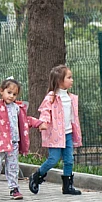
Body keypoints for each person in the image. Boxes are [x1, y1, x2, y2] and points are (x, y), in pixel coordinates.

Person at [0, 78, 46, 199]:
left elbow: (26, 120)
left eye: (14, 94)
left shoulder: (17, 108)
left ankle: (14, 188)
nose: (11, 96)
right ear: (1, 91)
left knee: (13, 166)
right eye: (9, 92)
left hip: (14, 142)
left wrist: (38, 123)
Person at [29, 65, 83, 195]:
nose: (72, 80)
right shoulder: (51, 97)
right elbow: (45, 111)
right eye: (69, 77)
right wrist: (44, 123)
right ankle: (37, 175)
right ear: (59, 80)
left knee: (69, 160)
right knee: (53, 159)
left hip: (68, 133)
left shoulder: (71, 97)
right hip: (55, 134)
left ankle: (67, 186)